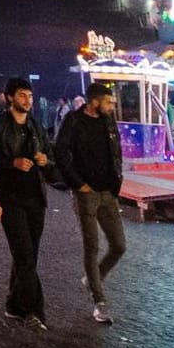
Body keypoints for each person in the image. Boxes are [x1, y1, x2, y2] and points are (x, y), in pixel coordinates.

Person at [0, 77, 54, 330]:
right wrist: (11, 164)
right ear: (10, 97)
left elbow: (50, 157)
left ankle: (14, 305)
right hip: (9, 198)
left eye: (30, 96)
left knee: (28, 255)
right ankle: (34, 311)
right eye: (22, 95)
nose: (28, 101)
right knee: (24, 254)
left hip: (36, 197)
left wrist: (45, 160)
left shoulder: (37, 127)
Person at [55, 81, 126, 324]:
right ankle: (99, 300)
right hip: (86, 193)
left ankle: (92, 277)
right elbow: (61, 152)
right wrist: (78, 183)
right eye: (108, 102)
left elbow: (117, 151)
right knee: (91, 246)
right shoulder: (73, 121)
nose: (112, 106)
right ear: (94, 101)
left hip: (108, 192)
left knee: (119, 245)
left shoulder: (108, 121)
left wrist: (118, 182)